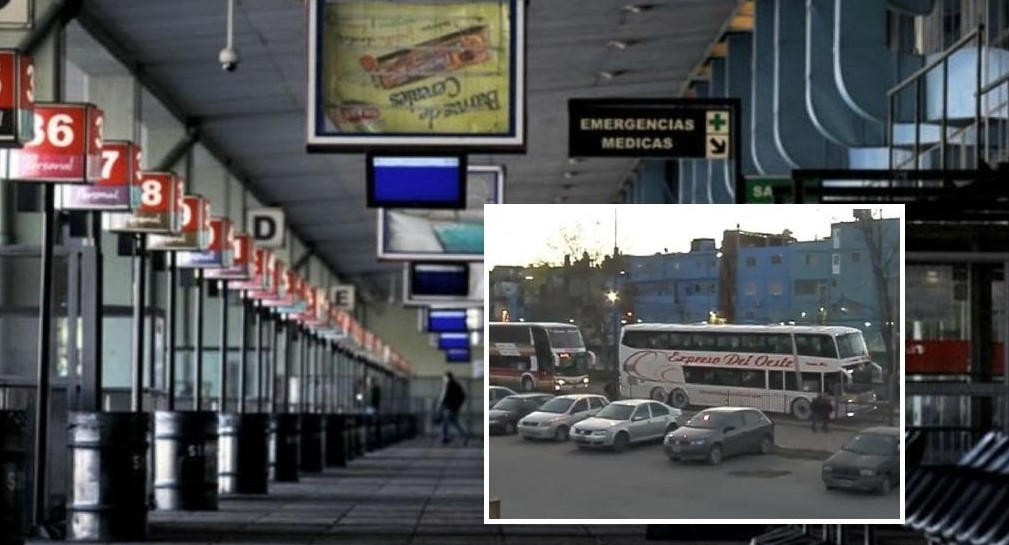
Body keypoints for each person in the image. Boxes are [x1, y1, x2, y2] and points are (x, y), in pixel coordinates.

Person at [437, 371, 469, 445]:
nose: (444, 379)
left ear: (448, 378)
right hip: (454, 408)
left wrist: (442, 405)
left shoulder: (450, 385)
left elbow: (446, 397)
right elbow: (463, 396)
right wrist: (458, 405)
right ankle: (464, 435)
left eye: (445, 377)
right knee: (454, 422)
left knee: (445, 422)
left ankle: (445, 438)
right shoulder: (455, 385)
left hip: (450, 408)